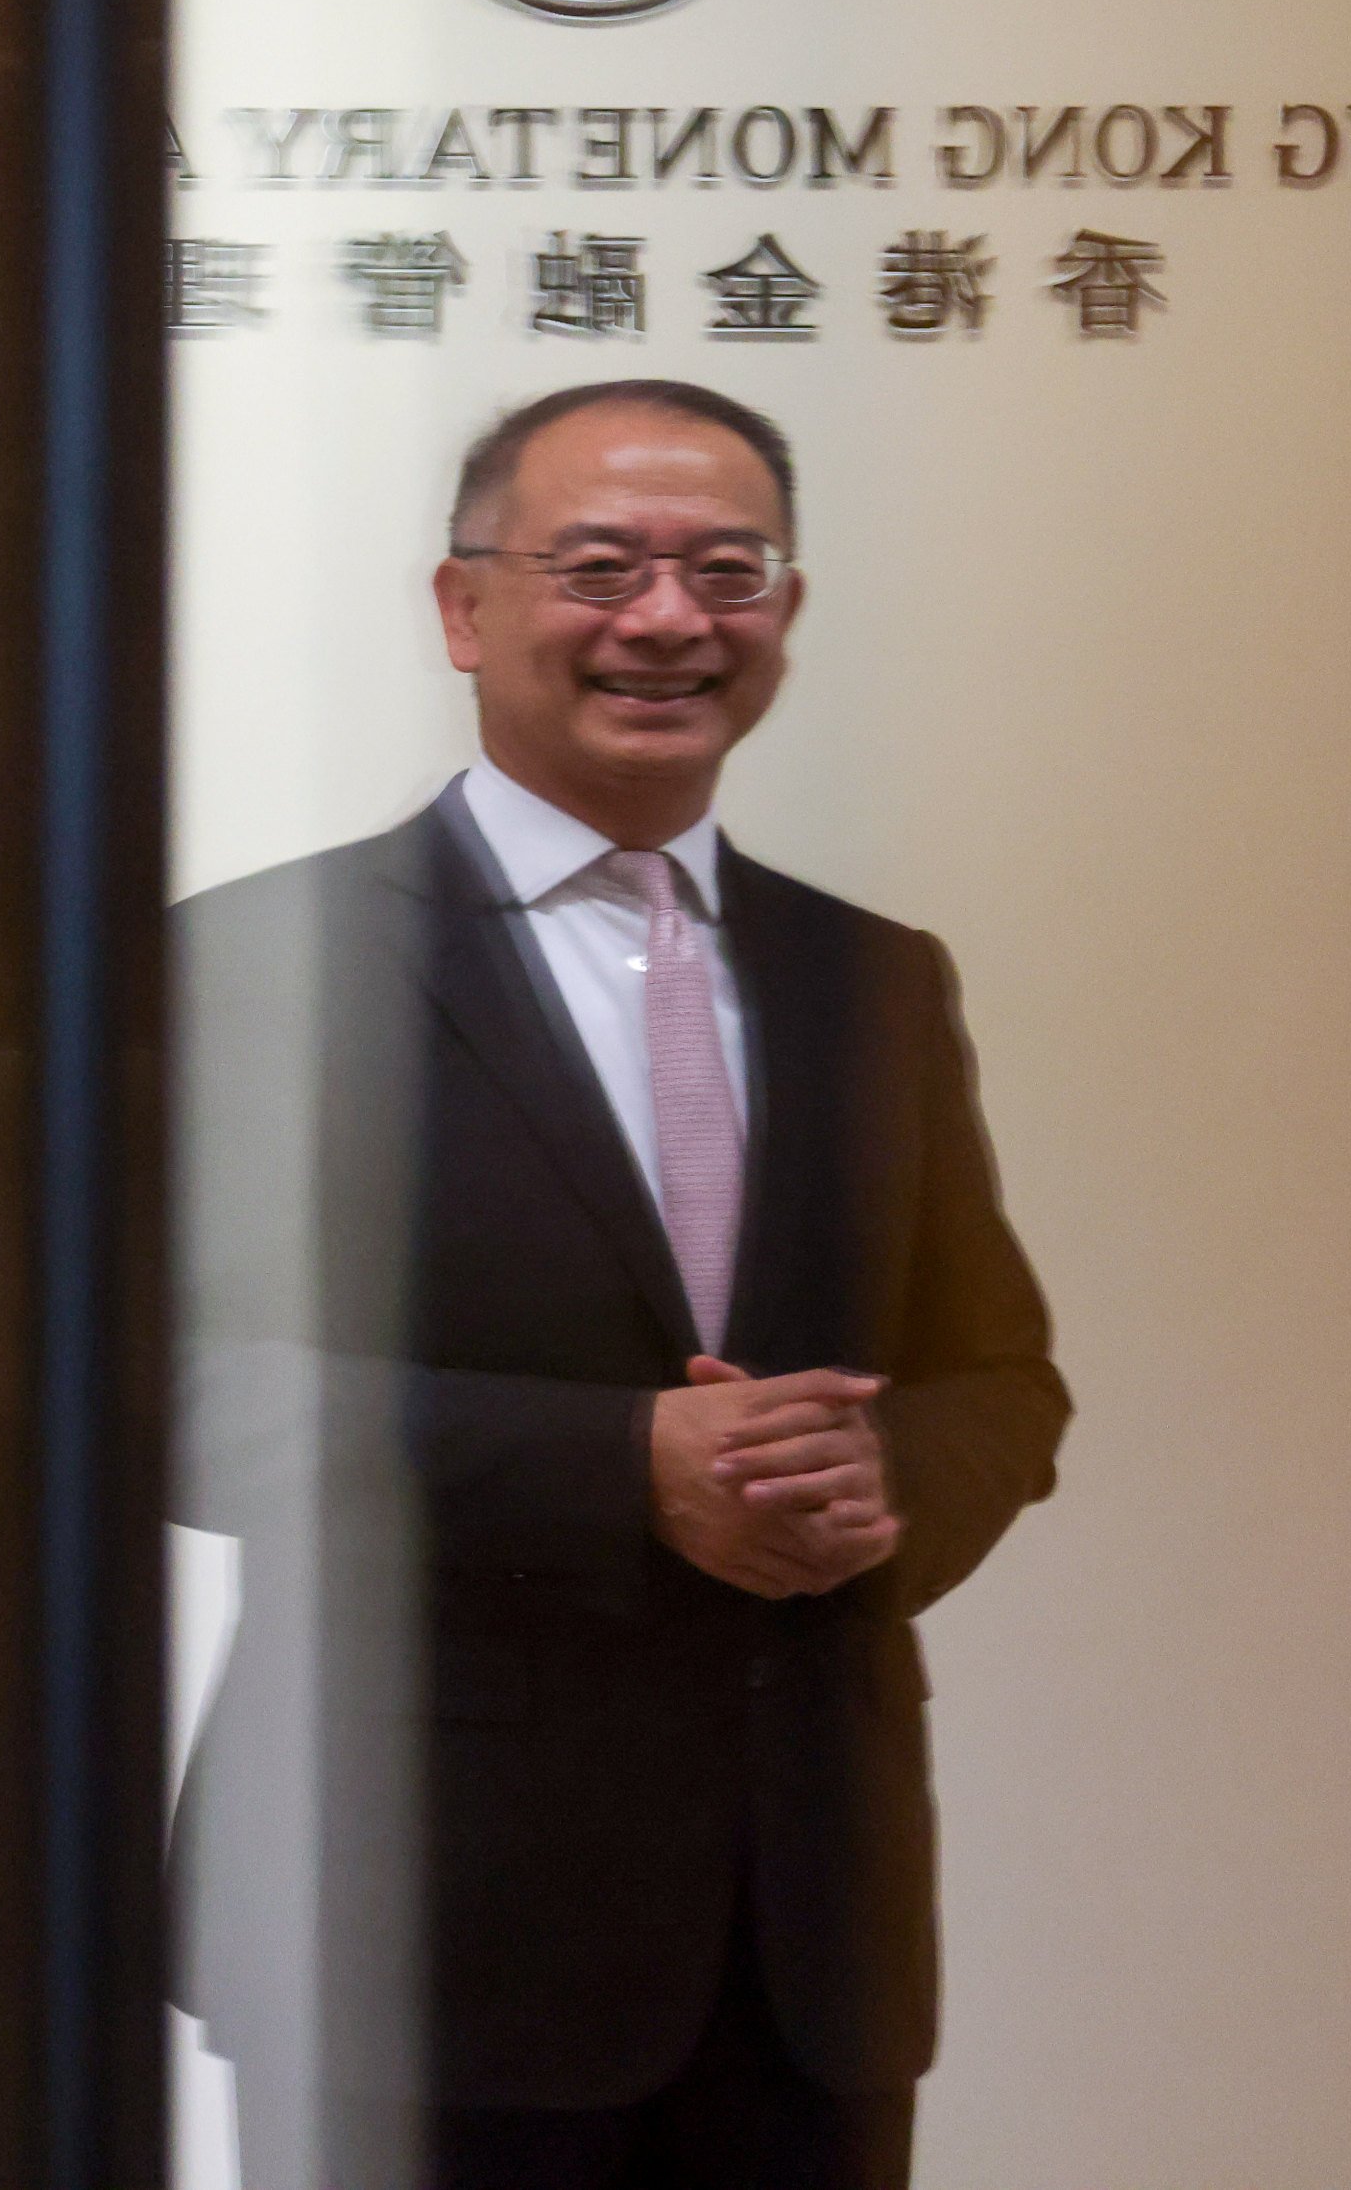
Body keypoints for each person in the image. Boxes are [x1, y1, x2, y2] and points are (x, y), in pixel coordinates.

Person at [173, 379, 1068, 2190]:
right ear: (462, 608)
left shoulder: (874, 978)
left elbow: (1001, 1376)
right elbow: (131, 1384)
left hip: (807, 1932)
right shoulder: (264, 959)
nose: (668, 619)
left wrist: (884, 1487)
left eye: (725, 571)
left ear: (786, 615)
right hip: (411, 1918)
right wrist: (617, 1466)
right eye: (599, 565)